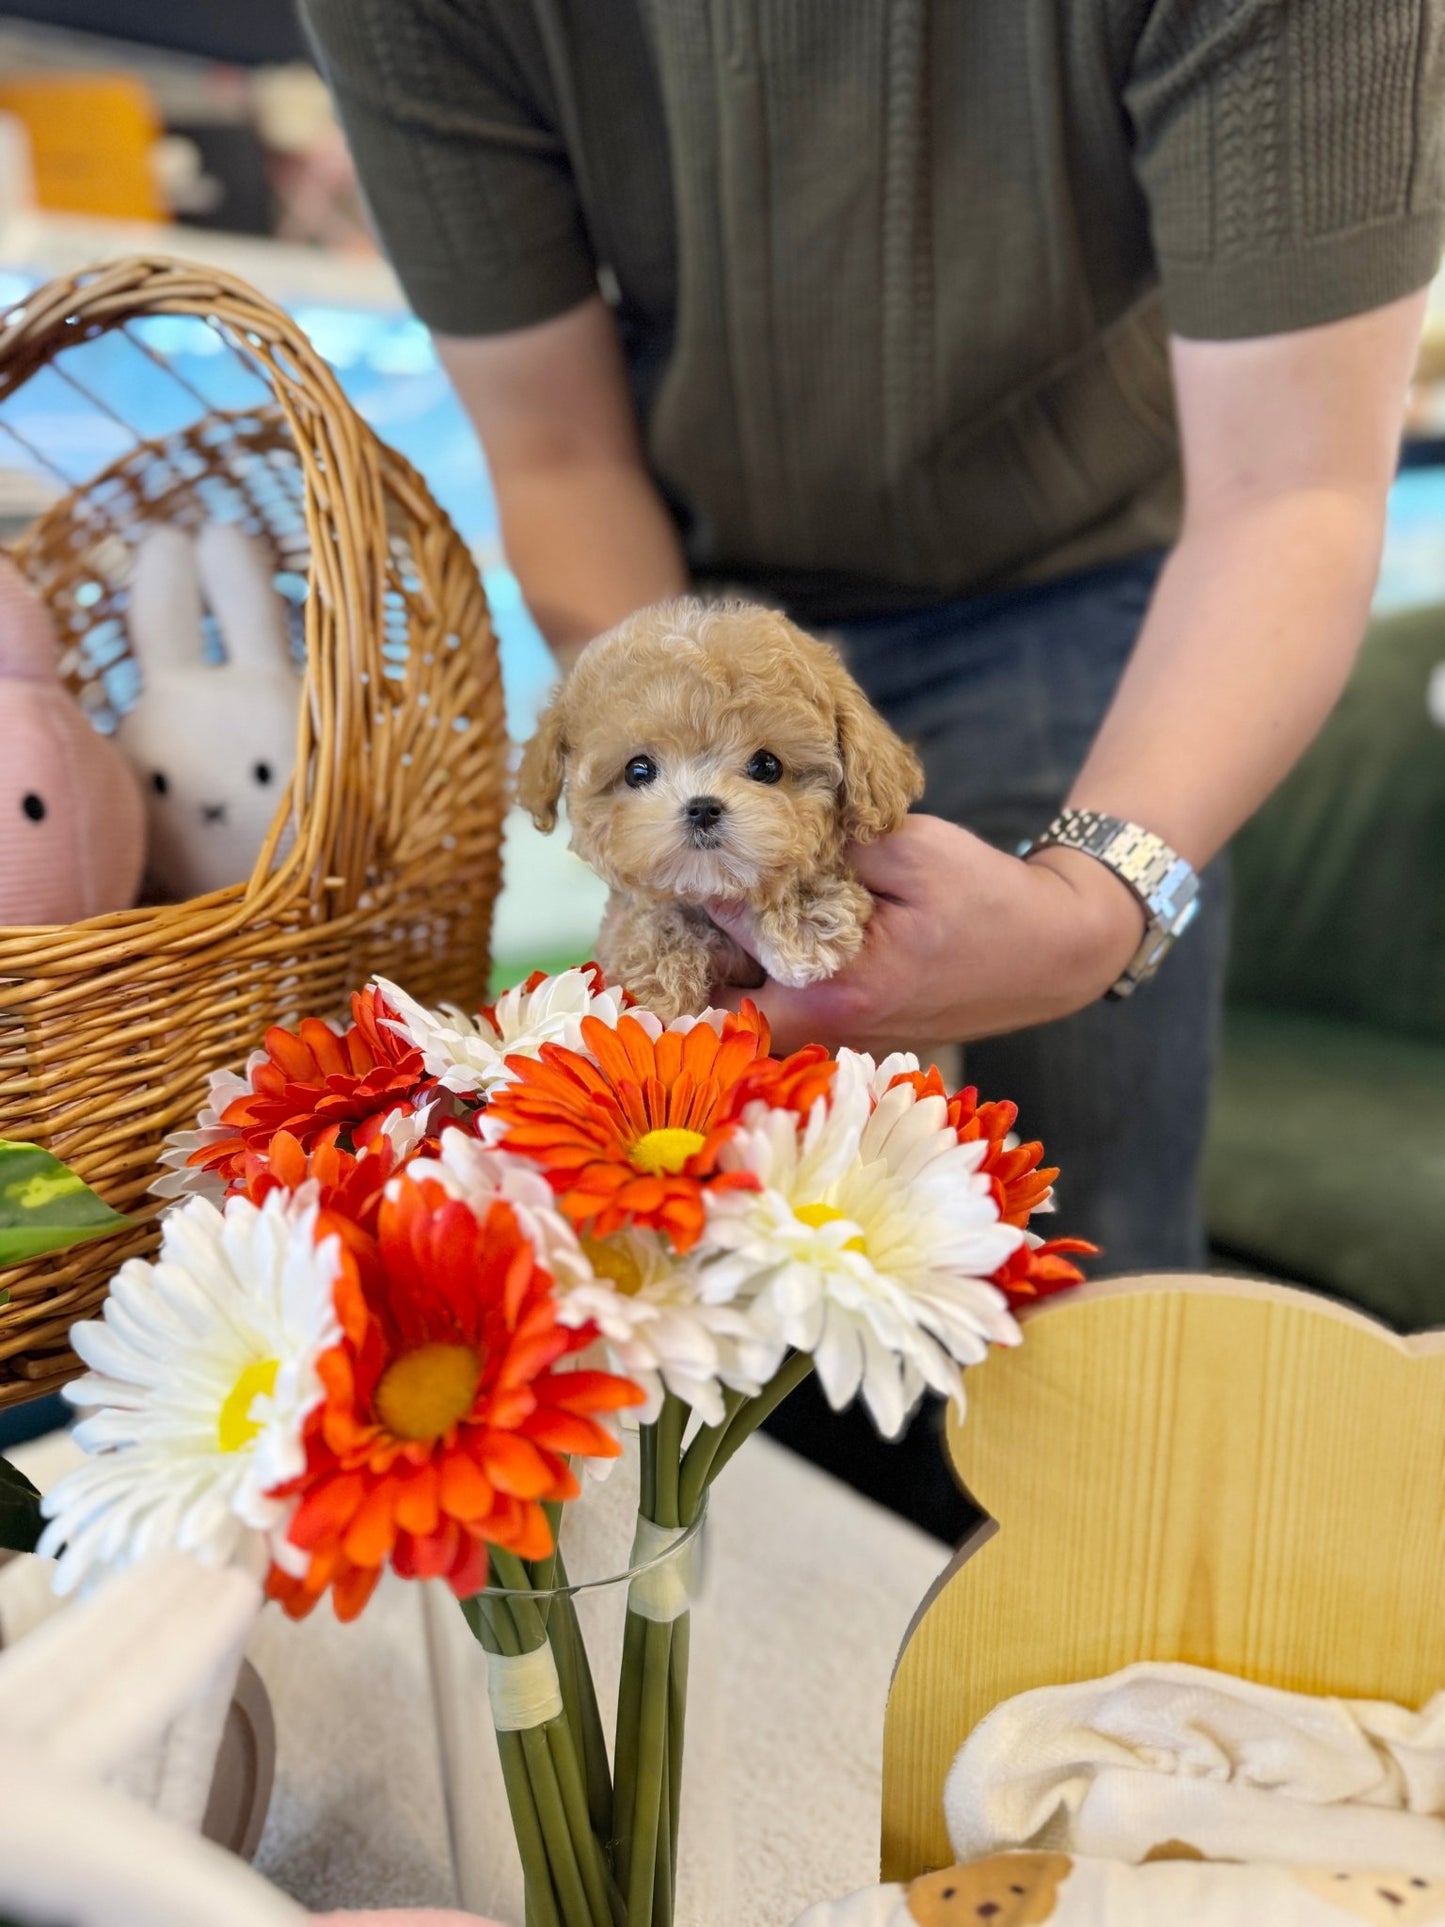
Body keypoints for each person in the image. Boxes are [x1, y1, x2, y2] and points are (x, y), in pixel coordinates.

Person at [300, 1, 1444, 1530]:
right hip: (692, 581)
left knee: (1086, 1263)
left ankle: (1093, 1614)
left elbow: (1291, 489)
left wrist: (1092, 910)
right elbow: (558, 453)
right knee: (701, 1255)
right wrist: (692, 738)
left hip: (1086, 584)